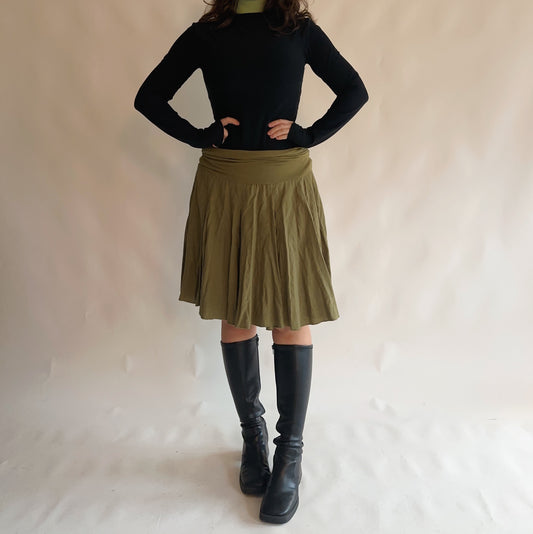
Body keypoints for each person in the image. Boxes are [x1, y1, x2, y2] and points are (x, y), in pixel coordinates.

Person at [134, 0, 368, 524]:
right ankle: (253, 438)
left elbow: (354, 90)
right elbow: (148, 97)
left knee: (290, 312)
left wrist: (309, 134)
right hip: (225, 183)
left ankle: (290, 454)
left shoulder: (298, 30)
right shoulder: (208, 32)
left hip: (286, 185)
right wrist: (201, 134)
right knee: (236, 310)